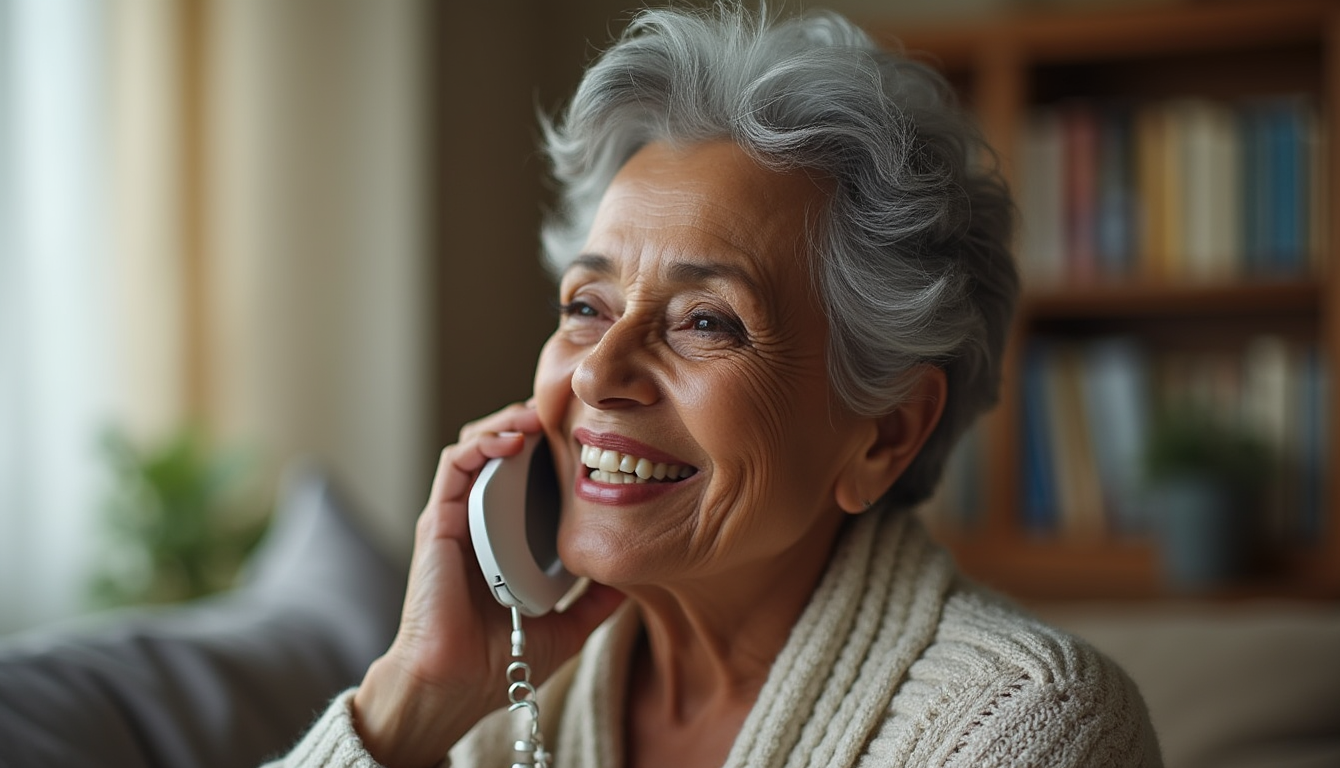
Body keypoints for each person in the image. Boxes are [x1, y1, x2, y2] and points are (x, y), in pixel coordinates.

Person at [270, 4, 1160, 767]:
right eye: (586, 304)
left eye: (706, 321)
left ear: (885, 432)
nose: (597, 371)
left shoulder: (1025, 726)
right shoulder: (501, 700)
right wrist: (407, 708)